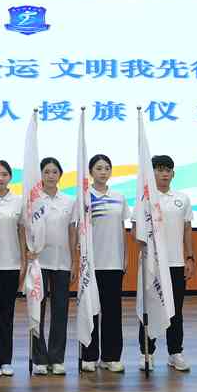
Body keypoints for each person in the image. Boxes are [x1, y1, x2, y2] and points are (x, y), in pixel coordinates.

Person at [134, 155, 195, 372]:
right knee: (149, 308)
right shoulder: (144, 199)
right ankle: (147, 352)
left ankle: (175, 352)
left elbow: (187, 229)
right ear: (151, 173)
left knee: (175, 310)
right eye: (159, 170)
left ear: (173, 173)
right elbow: (135, 232)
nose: (164, 174)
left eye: (168, 170)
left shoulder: (182, 199)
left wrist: (190, 257)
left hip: (176, 263)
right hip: (152, 264)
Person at [80, 154, 132, 373]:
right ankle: (89, 355)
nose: (103, 172)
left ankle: (111, 357)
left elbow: (122, 229)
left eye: (107, 168)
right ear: (91, 172)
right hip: (92, 264)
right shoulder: (84, 197)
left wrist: (125, 257)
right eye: (99, 168)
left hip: (113, 262)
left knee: (112, 312)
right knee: (90, 310)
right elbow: (78, 230)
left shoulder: (119, 197)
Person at [29, 157, 77, 376]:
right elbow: (25, 229)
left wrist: (74, 261)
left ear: (60, 175)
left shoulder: (69, 201)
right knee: (37, 310)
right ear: (41, 175)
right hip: (38, 262)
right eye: (46, 171)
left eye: (54, 172)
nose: (50, 175)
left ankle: (57, 358)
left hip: (62, 262)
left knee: (60, 311)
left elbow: (72, 232)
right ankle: (39, 358)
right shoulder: (33, 200)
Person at [0, 160, 25, 377]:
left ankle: (6, 360)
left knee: (7, 315)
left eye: (4, 174)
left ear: (10, 177)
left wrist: (24, 262)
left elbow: (22, 233)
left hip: (11, 264)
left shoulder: (18, 201)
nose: (0, 178)